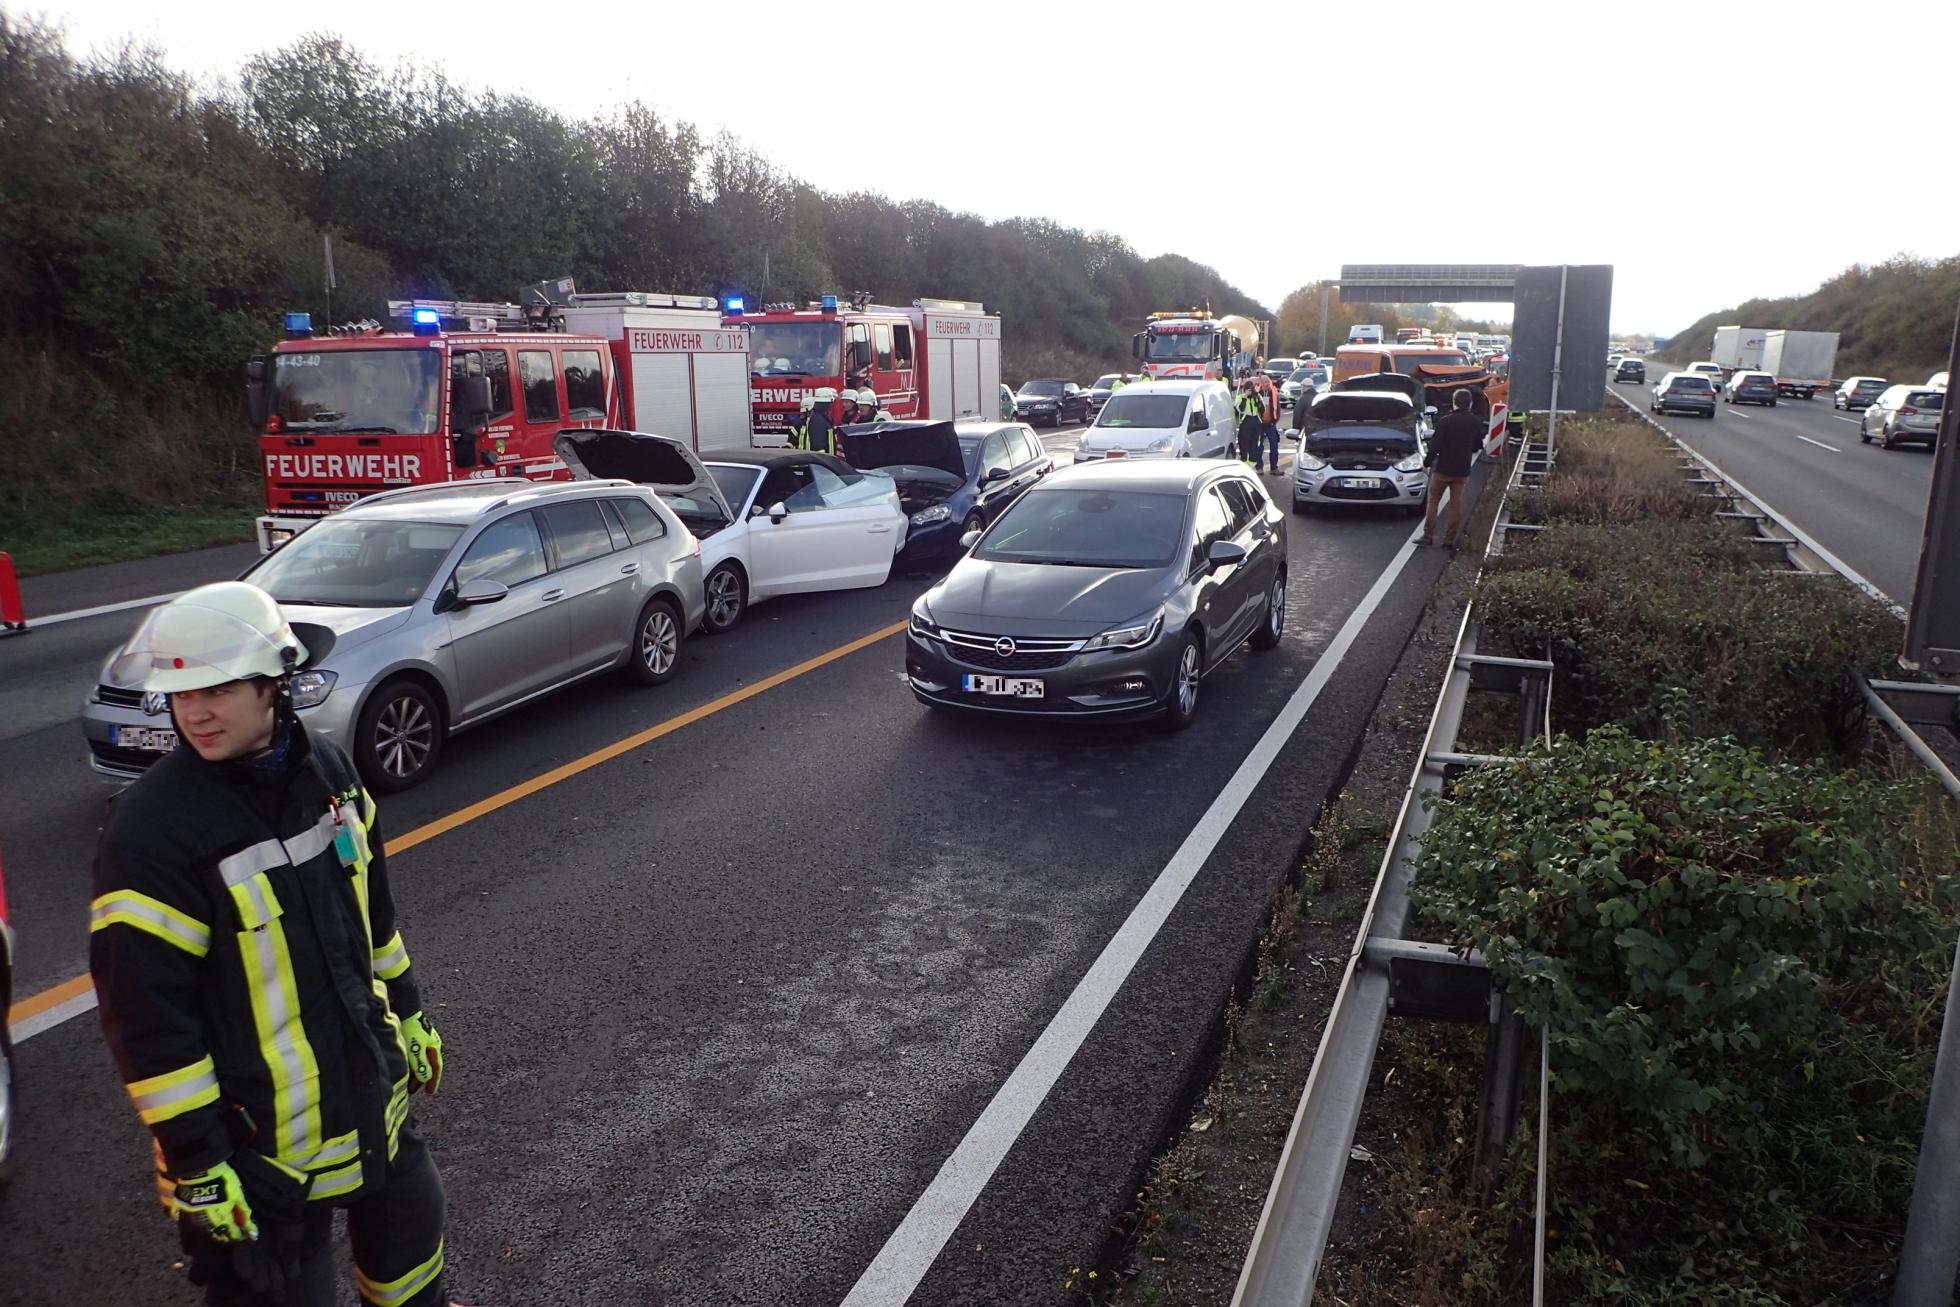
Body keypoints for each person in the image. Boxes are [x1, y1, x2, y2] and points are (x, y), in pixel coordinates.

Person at [90, 582, 451, 1307]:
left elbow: (372, 916)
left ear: (275, 681)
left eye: (217, 689)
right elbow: (149, 1025)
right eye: (181, 693)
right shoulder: (150, 834)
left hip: (365, 1098)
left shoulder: (331, 775)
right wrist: (197, 1159)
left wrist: (408, 1012)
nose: (194, 713)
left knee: (413, 1257)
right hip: (257, 1154)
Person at [1422, 388, 1483, 550]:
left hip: (1443, 469)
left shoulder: (1445, 421)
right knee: (1456, 505)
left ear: (1454, 402)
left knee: (1433, 501)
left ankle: (1428, 536)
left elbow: (1435, 446)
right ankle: (1449, 539)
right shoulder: (1475, 422)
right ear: (1470, 403)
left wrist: (1427, 463)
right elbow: (1478, 446)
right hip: (1462, 470)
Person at [1251, 370, 1282, 474]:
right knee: (1259, 446)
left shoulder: (1274, 393)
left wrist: (1275, 421)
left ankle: (1274, 468)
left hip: (1270, 424)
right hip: (1260, 424)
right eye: (1264, 382)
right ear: (1260, 382)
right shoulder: (1256, 393)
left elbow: (1277, 409)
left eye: (1267, 382)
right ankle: (1259, 467)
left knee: (1274, 445)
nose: (1266, 384)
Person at [799, 387, 838, 455]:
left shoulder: (821, 418)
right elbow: (818, 446)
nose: (831, 405)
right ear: (826, 403)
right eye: (831, 403)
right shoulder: (818, 420)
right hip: (823, 462)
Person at [1236, 381, 1264, 467]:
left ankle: (1252, 466)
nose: (1250, 392)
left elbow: (1262, 410)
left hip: (1255, 423)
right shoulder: (1240, 397)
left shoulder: (1257, 397)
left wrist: (1257, 399)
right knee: (1243, 446)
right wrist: (1245, 397)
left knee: (1254, 447)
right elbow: (1240, 409)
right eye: (1248, 390)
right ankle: (1244, 465)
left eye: (1251, 390)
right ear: (1244, 390)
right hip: (1245, 423)